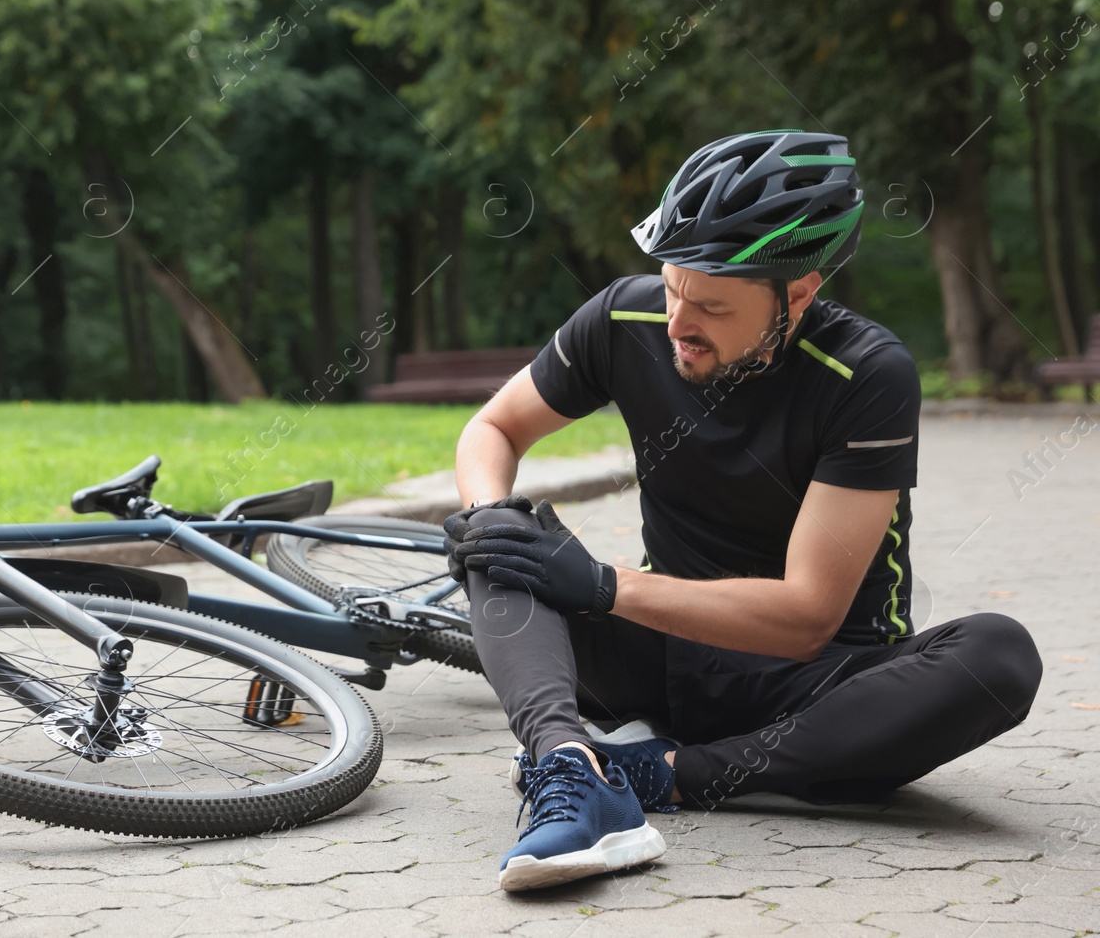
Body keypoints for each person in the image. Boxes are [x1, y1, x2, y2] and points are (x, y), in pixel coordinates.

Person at [445, 130, 1042, 893]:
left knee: (999, 656)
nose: (678, 324)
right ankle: (569, 765)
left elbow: (807, 614)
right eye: (672, 286)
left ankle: (663, 773)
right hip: (664, 658)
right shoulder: (621, 321)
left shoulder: (868, 374)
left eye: (714, 305)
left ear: (798, 294)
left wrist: (602, 584)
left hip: (817, 687)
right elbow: (491, 429)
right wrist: (494, 520)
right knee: (496, 534)